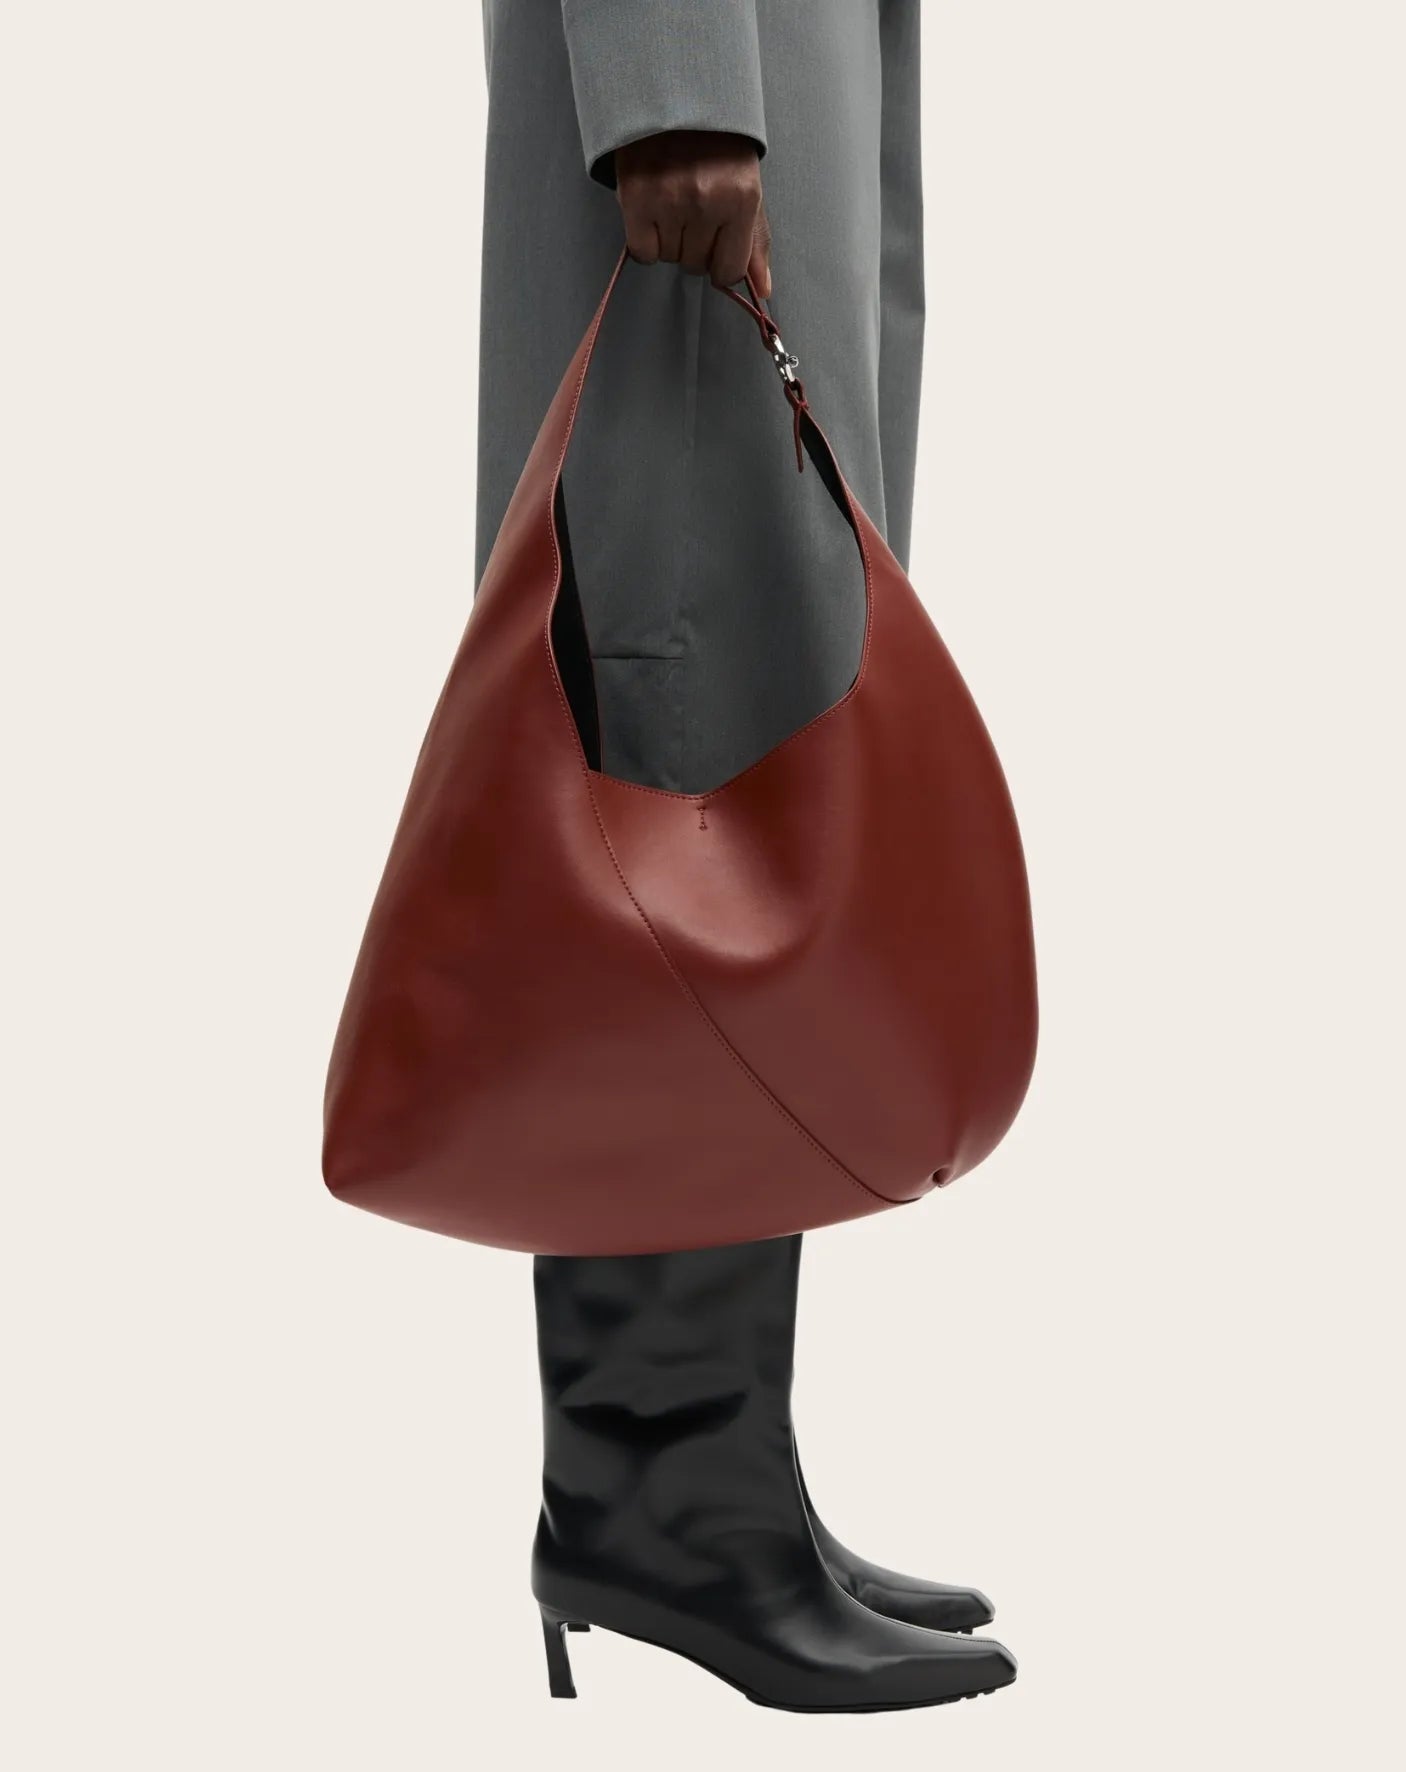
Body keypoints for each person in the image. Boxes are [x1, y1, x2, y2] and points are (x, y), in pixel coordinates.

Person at [478, 1, 1017, 1709]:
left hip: (790, 71)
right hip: (714, 72)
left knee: (758, 718)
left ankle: (706, 1469)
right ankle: (660, 1493)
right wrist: (676, 86)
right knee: (676, 723)